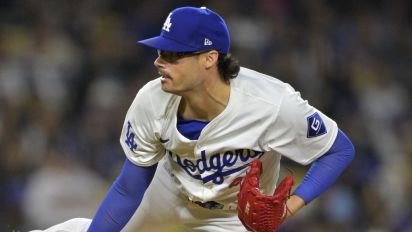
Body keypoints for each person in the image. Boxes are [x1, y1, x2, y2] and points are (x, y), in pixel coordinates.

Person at [31, 6, 355, 232]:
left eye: (172, 55)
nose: (159, 62)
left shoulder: (271, 104)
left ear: (209, 59)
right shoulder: (151, 99)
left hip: (234, 219)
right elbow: (130, 188)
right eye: (160, 52)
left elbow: (339, 149)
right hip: (168, 192)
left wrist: (288, 209)